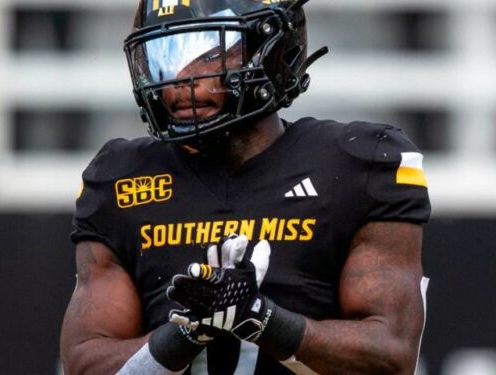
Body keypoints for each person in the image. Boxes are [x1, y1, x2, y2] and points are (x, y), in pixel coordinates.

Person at [60, 0, 431, 374]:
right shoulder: (121, 179)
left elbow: (390, 356)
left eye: (206, 54)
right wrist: (186, 332)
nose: (178, 81)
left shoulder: (359, 165)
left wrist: (259, 318)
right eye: (163, 57)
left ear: (272, 51)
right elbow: (85, 364)